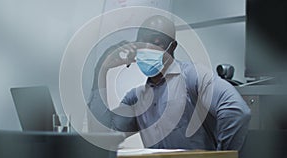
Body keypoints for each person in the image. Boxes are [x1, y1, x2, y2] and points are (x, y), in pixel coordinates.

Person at [88, 15, 251, 152]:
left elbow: (237, 111)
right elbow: (103, 136)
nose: (147, 47)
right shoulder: (136, 98)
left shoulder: (193, 77)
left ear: (172, 47)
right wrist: (101, 70)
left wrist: (222, 156)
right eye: (141, 42)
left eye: (156, 42)